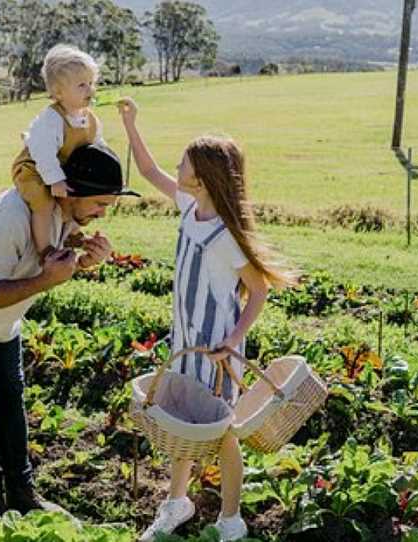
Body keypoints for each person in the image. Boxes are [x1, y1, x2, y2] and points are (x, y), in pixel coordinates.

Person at [0, 144, 138, 516]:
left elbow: (43, 256)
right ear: (74, 191)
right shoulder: (13, 217)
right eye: (100, 204)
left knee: (12, 397)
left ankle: (24, 494)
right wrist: (47, 281)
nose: (102, 214)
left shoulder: (59, 212)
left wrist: (82, 262)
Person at [117, 97, 297, 541]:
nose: (175, 165)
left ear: (200, 177)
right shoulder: (187, 206)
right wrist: (130, 125)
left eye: (184, 161)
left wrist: (234, 340)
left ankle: (230, 518)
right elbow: (146, 171)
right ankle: (177, 503)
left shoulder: (224, 236)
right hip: (186, 338)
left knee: (221, 431)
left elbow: (258, 290)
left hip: (217, 349)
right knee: (185, 421)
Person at [11, 43, 106, 260]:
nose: (90, 90)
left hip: (63, 170)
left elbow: (98, 147)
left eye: (91, 83)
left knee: (76, 197)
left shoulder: (89, 118)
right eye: (82, 85)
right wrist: (54, 180)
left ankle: (71, 235)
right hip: (35, 169)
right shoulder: (52, 119)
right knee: (43, 203)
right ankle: (46, 250)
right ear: (58, 93)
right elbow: (43, 152)